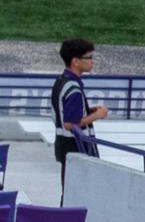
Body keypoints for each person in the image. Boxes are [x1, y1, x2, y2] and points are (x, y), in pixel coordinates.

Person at [53, 38, 107, 187]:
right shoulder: (74, 89)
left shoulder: (61, 81)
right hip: (76, 147)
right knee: (76, 191)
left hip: (64, 146)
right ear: (75, 61)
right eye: (89, 57)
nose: (92, 62)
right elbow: (70, 124)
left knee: (69, 191)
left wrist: (88, 110)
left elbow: (64, 112)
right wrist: (97, 115)